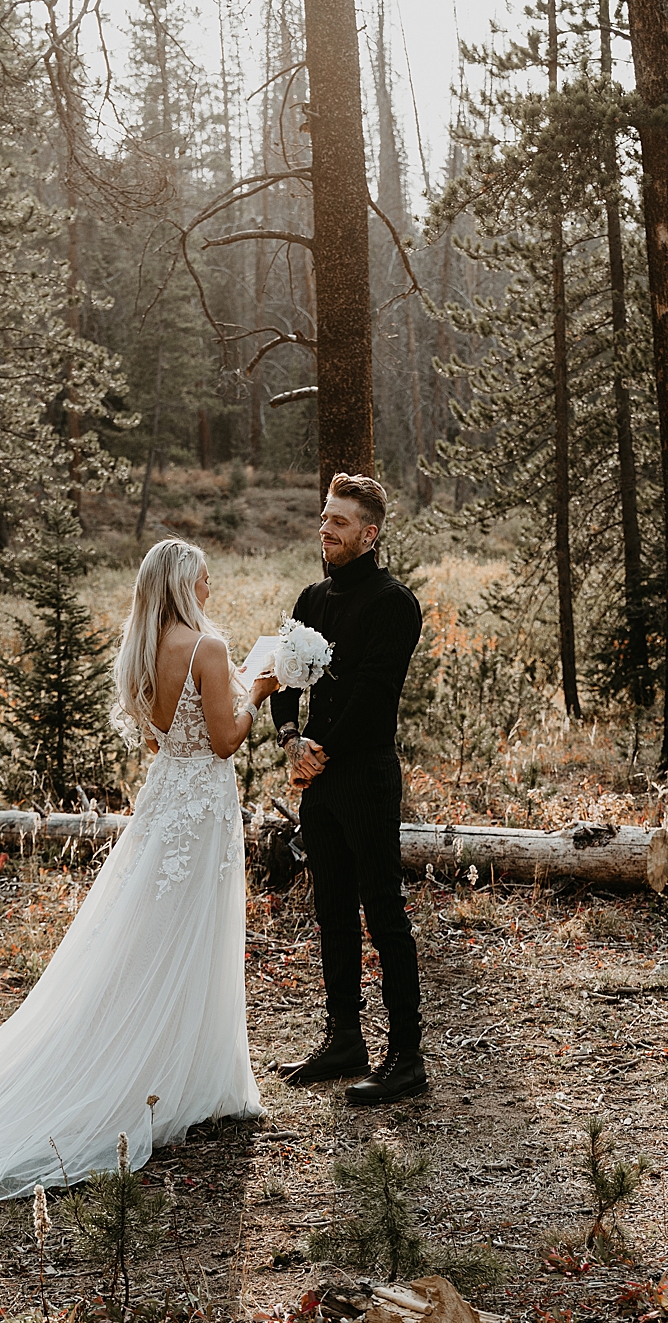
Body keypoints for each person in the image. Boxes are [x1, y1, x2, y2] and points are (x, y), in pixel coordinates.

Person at [0, 538, 278, 1205]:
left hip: (164, 804)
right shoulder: (205, 648)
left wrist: (237, 681)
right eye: (205, 581)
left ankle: (175, 1073)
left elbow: (173, 731)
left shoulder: (146, 648)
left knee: (153, 938)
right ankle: (183, 1080)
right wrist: (261, 693)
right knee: (192, 938)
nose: (211, 590)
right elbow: (223, 739)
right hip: (202, 810)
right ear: (186, 586)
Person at [271, 473, 427, 1105]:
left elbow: (373, 696)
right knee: (331, 908)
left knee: (383, 911)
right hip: (317, 777)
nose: (324, 530)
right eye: (324, 519)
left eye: (337, 523)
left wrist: (317, 751)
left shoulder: (395, 603)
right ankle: (344, 1040)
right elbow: (282, 677)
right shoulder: (311, 598)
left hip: (364, 775)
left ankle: (406, 1058)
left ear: (369, 533)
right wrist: (289, 740)